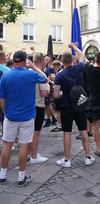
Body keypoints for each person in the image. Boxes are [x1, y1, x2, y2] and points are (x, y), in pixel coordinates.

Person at [0, 51, 48, 186]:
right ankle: (21, 177)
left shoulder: (5, 76)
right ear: (25, 60)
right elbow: (45, 79)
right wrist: (33, 67)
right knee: (23, 145)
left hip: (10, 116)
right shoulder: (31, 74)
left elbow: (1, 99)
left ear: (14, 61)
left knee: (7, 145)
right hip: (27, 117)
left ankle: (2, 175)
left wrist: (5, 113)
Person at [53, 45, 95, 167]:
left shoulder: (59, 76)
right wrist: (74, 48)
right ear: (72, 60)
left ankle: (67, 160)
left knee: (67, 132)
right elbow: (83, 57)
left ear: (61, 62)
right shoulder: (79, 68)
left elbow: (56, 95)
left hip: (66, 106)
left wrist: (62, 94)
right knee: (83, 131)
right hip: (80, 105)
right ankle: (87, 157)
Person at [28, 52, 51, 164]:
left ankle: (28, 153)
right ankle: (34, 156)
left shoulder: (28, 72)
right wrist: (50, 88)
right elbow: (44, 93)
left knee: (28, 131)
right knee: (36, 132)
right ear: (42, 62)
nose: (45, 65)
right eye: (45, 63)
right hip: (38, 105)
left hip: (28, 105)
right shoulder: (40, 74)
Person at [43, 56, 57, 128]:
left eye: (46, 58)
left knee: (47, 104)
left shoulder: (50, 68)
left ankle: (49, 118)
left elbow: (51, 78)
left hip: (48, 86)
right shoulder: (47, 67)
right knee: (47, 104)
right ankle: (53, 118)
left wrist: (46, 81)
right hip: (47, 86)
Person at [50, 60, 63, 132]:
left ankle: (59, 125)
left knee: (57, 110)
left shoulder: (58, 74)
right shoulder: (62, 72)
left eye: (53, 66)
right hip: (62, 93)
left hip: (59, 93)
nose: (52, 67)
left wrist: (49, 81)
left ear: (57, 66)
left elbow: (56, 84)